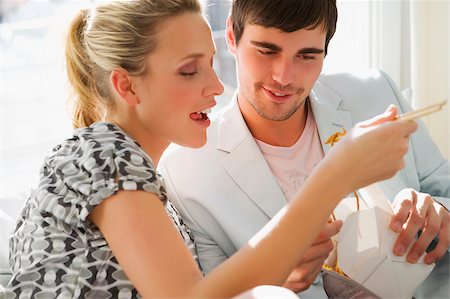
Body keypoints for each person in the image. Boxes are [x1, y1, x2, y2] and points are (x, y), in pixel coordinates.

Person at [4, 0, 417, 298]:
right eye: (189, 71)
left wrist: (285, 280)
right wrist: (335, 175)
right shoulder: (101, 154)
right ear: (126, 86)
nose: (216, 87)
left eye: (209, 63)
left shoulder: (149, 188)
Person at [159, 0, 450, 298]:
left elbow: (445, 188)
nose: (284, 77)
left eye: (307, 55)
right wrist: (278, 286)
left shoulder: (376, 91)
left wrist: (441, 211)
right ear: (232, 35)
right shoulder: (185, 173)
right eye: (267, 51)